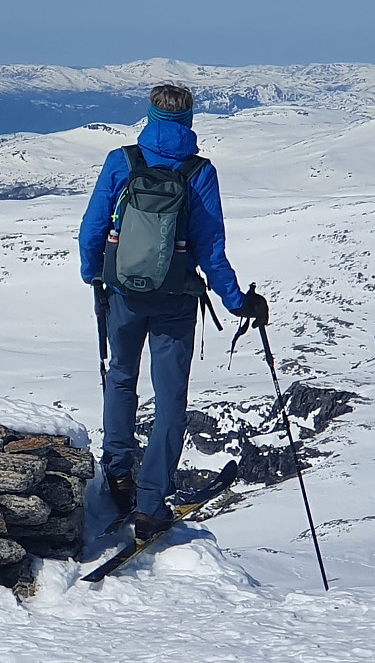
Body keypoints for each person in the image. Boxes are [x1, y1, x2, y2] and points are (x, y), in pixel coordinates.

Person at [77, 84, 268, 540]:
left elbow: (92, 226)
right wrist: (237, 301)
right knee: (170, 402)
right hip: (175, 301)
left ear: (149, 115)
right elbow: (211, 248)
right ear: (189, 120)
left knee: (121, 377)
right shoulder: (199, 171)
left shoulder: (122, 161)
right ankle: (149, 504)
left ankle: (118, 475)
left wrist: (93, 274)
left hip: (122, 294)